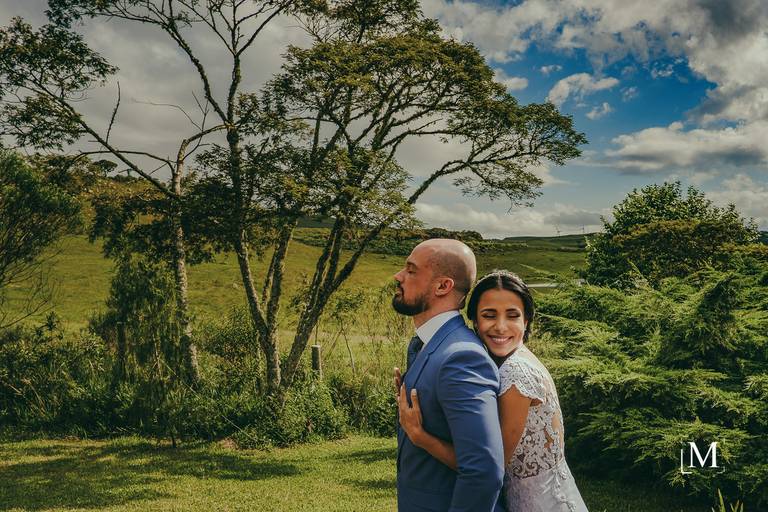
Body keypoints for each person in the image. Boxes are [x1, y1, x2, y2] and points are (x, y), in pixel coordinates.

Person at [397, 270, 588, 512]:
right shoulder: (513, 360)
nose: (500, 327)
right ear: (475, 321)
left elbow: (487, 465)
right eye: (489, 315)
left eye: (512, 315)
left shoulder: (516, 373)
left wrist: (420, 436)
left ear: (526, 320)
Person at [392, 239, 505, 512]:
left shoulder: (462, 358)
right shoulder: (426, 343)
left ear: (443, 286)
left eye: (411, 270)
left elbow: (483, 471)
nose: (398, 276)